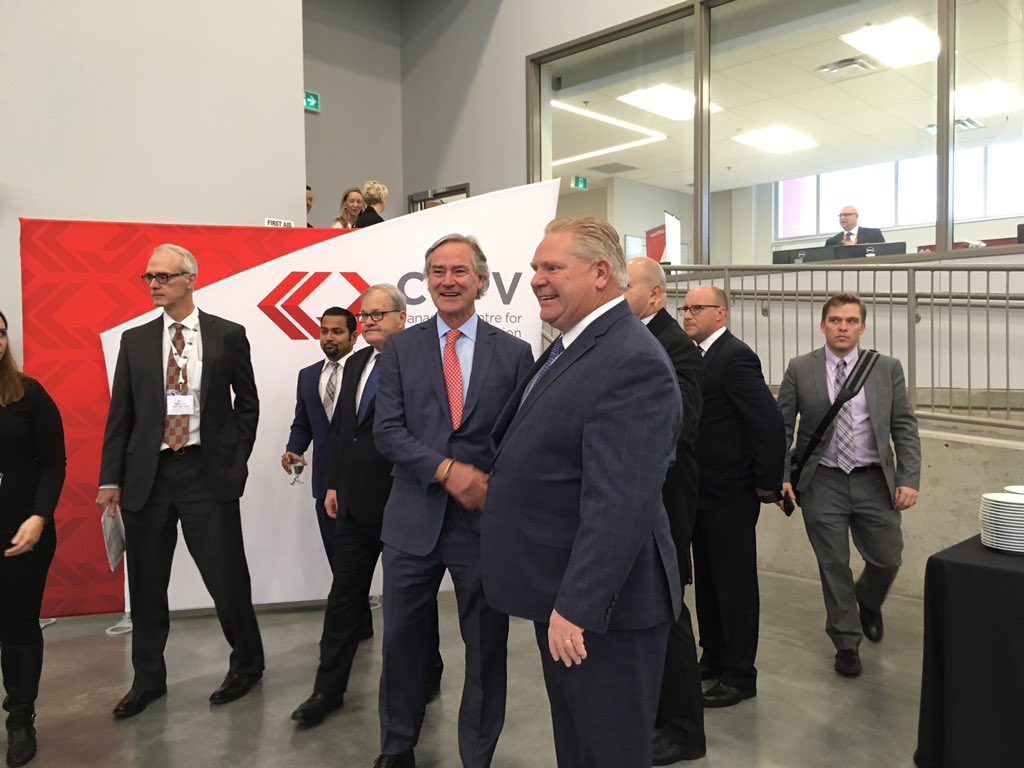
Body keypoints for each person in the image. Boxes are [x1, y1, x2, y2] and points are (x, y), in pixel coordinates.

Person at [483, 217, 683, 768]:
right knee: (579, 748)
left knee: (607, 752)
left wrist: (577, 606)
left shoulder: (631, 361)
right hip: (569, 601)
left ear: (600, 273)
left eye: (552, 268)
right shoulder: (575, 345)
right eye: (534, 269)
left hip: (603, 612)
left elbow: (618, 503)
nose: (537, 280)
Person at [372, 235, 533, 768]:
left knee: (487, 649)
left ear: (481, 282)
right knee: (400, 644)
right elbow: (388, 432)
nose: (447, 280)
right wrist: (447, 471)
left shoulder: (513, 354)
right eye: (437, 271)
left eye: (460, 271)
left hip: (483, 524)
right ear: (425, 282)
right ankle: (397, 746)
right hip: (412, 520)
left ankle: (477, 756)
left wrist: (492, 486)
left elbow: (521, 438)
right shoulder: (399, 348)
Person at [96, 244, 264, 719]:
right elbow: (120, 417)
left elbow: (246, 403)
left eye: (164, 276)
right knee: (147, 584)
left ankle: (247, 664)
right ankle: (148, 679)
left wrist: (235, 457)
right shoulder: (135, 342)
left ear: (191, 278)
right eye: (148, 277)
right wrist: (111, 478)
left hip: (205, 474)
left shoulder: (228, 335)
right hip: (147, 477)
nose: (154, 284)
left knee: (227, 578)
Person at [290, 285, 444, 728]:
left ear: (402, 317)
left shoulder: (424, 361)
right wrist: (335, 484)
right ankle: (327, 690)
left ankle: (428, 675)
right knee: (343, 600)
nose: (371, 320)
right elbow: (342, 432)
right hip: (356, 505)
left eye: (380, 313)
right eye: (366, 314)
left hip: (405, 503)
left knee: (414, 602)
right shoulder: (354, 363)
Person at [778, 292, 920, 677]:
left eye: (851, 321)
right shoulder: (800, 368)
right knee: (833, 564)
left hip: (874, 480)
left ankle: (868, 600)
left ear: (863, 326)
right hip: (822, 481)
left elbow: (904, 425)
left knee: (887, 557)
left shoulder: (886, 368)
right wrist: (782, 477)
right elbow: (782, 427)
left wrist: (908, 478)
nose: (843, 327)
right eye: (836, 320)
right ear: (823, 325)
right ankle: (846, 642)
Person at [682, 285, 785, 708]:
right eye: (684, 307)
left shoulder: (734, 356)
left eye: (697, 308)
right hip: (701, 491)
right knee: (707, 581)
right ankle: (715, 656)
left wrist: (766, 482)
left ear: (720, 313)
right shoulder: (699, 356)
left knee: (735, 584)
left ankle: (740, 673)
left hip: (730, 494)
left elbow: (767, 422)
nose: (687, 314)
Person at [623, 257, 706, 764]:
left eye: (625, 285)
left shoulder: (675, 347)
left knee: (670, 610)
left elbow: (682, 422)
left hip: (666, 499)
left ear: (655, 295)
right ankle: (656, 716)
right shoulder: (635, 338)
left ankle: (683, 730)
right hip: (640, 498)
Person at [0, 311, 66, 767]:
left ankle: (20, 719)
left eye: (0, 332)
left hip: (21, 533)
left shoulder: (28, 393)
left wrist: (40, 515)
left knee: (18, 628)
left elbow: (54, 462)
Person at [281, 307, 359, 567]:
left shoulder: (367, 373)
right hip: (324, 483)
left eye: (337, 332)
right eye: (324, 331)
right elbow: (303, 423)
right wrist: (294, 449)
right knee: (338, 563)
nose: (329, 337)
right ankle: (348, 609)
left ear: (353, 337)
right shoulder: (308, 375)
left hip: (363, 483)